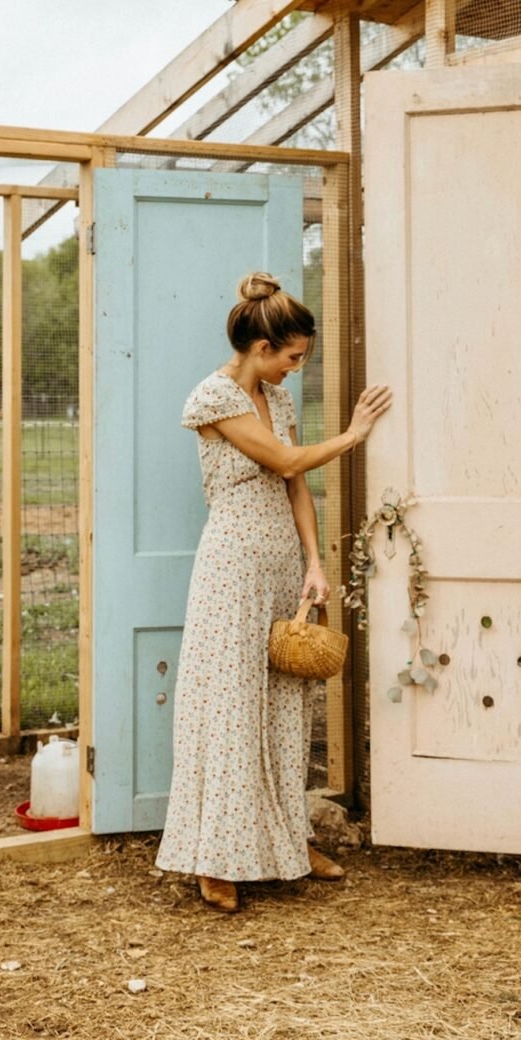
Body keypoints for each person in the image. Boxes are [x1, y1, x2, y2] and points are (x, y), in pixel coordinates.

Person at [155, 271, 392, 912]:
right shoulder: (212, 397)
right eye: (293, 357)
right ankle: (216, 859)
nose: (297, 368)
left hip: (282, 561)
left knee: (287, 709)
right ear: (262, 348)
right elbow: (285, 462)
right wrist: (352, 436)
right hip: (232, 565)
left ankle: (291, 840)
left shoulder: (280, 403)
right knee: (231, 709)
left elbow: (296, 488)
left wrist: (314, 562)